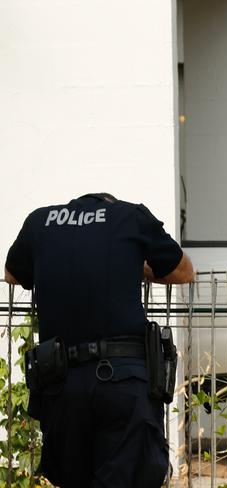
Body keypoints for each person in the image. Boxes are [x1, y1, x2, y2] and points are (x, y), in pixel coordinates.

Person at [4, 192, 193, 488]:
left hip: (61, 383)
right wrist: (136, 267)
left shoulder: (40, 221)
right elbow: (184, 272)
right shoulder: (131, 217)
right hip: (124, 382)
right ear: (109, 205)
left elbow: (12, 275)